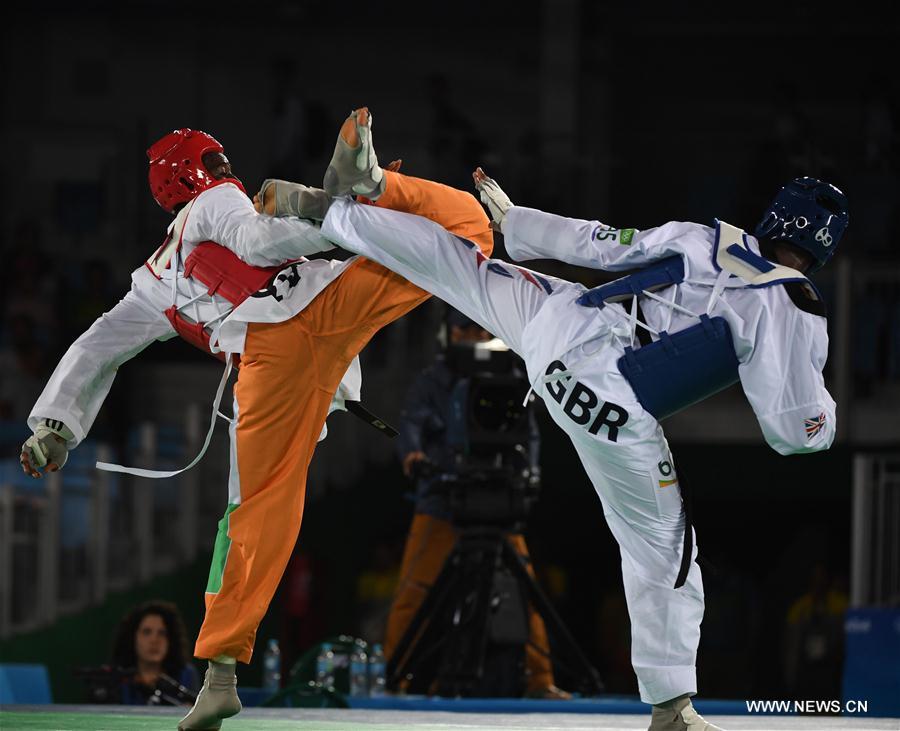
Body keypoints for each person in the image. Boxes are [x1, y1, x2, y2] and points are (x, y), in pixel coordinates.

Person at [267, 107, 846, 731]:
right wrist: (827, 416)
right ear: (824, 248)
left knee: (457, 265)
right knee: (662, 548)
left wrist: (516, 222)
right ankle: (672, 707)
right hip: (608, 400)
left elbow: (599, 242)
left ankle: (331, 212)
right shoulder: (790, 303)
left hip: (562, 323)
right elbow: (792, 434)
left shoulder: (705, 237)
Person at [19, 121, 492, 729]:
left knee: (256, 515)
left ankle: (219, 676)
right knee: (466, 235)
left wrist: (54, 425)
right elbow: (257, 238)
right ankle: (375, 189)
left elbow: (98, 346)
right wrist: (327, 210)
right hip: (321, 313)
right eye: (211, 160)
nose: (221, 168)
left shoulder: (149, 285)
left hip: (276, 365)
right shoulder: (215, 202)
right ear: (193, 173)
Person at [386, 307, 567, 699]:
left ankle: (540, 681)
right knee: (414, 592)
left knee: (527, 590)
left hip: (497, 501)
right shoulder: (433, 381)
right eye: (464, 329)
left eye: (480, 329)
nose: (473, 337)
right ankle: (396, 680)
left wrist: (529, 474)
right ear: (449, 335)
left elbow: (527, 433)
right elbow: (412, 423)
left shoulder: (512, 378)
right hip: (441, 499)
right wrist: (413, 456)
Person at [110, 600, 200, 705]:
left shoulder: (186, 674)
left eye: (162, 633)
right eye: (146, 632)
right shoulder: (118, 678)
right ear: (132, 638)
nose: (154, 640)